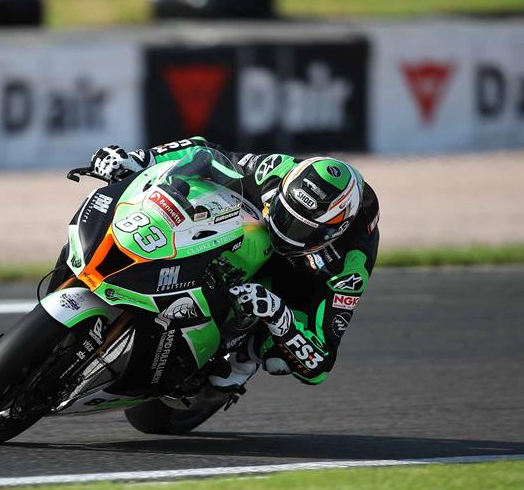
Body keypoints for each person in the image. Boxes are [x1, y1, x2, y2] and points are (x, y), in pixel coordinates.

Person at [86, 137, 380, 391]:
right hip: (250, 232)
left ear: (332, 231)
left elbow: (320, 365)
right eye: (283, 212)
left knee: (277, 359)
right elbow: (207, 153)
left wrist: (278, 314)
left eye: (299, 229)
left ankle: (243, 360)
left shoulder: (351, 263)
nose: (284, 228)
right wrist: (139, 158)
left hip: (298, 277)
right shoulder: (277, 171)